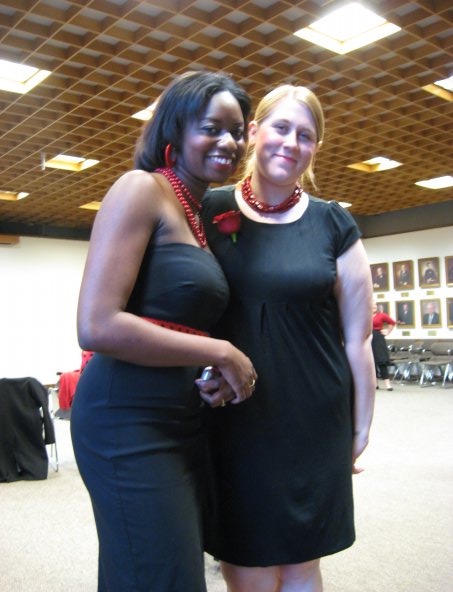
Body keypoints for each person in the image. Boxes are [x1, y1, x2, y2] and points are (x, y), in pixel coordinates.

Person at [70, 70, 258, 592]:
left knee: (153, 571)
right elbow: (96, 324)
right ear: (175, 131)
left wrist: (211, 370)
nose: (229, 142)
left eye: (237, 131)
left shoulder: (197, 213)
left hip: (180, 418)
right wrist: (221, 351)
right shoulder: (141, 189)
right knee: (162, 576)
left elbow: (173, 319)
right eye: (212, 128)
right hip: (126, 418)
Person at [199, 85, 375, 592]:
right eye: (281, 128)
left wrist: (361, 426)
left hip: (315, 418)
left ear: (315, 147)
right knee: (246, 564)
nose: (291, 143)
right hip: (237, 417)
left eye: (306, 135)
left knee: (302, 564)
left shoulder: (333, 223)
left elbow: (358, 339)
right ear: (254, 133)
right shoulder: (207, 209)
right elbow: (180, 308)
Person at [372, 303, 396, 390]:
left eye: (375, 305)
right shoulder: (365, 315)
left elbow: (392, 322)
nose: (374, 306)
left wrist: (387, 332)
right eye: (372, 304)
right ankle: (375, 383)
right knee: (371, 362)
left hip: (378, 339)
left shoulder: (382, 315)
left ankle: (387, 384)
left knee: (381, 361)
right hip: (368, 339)